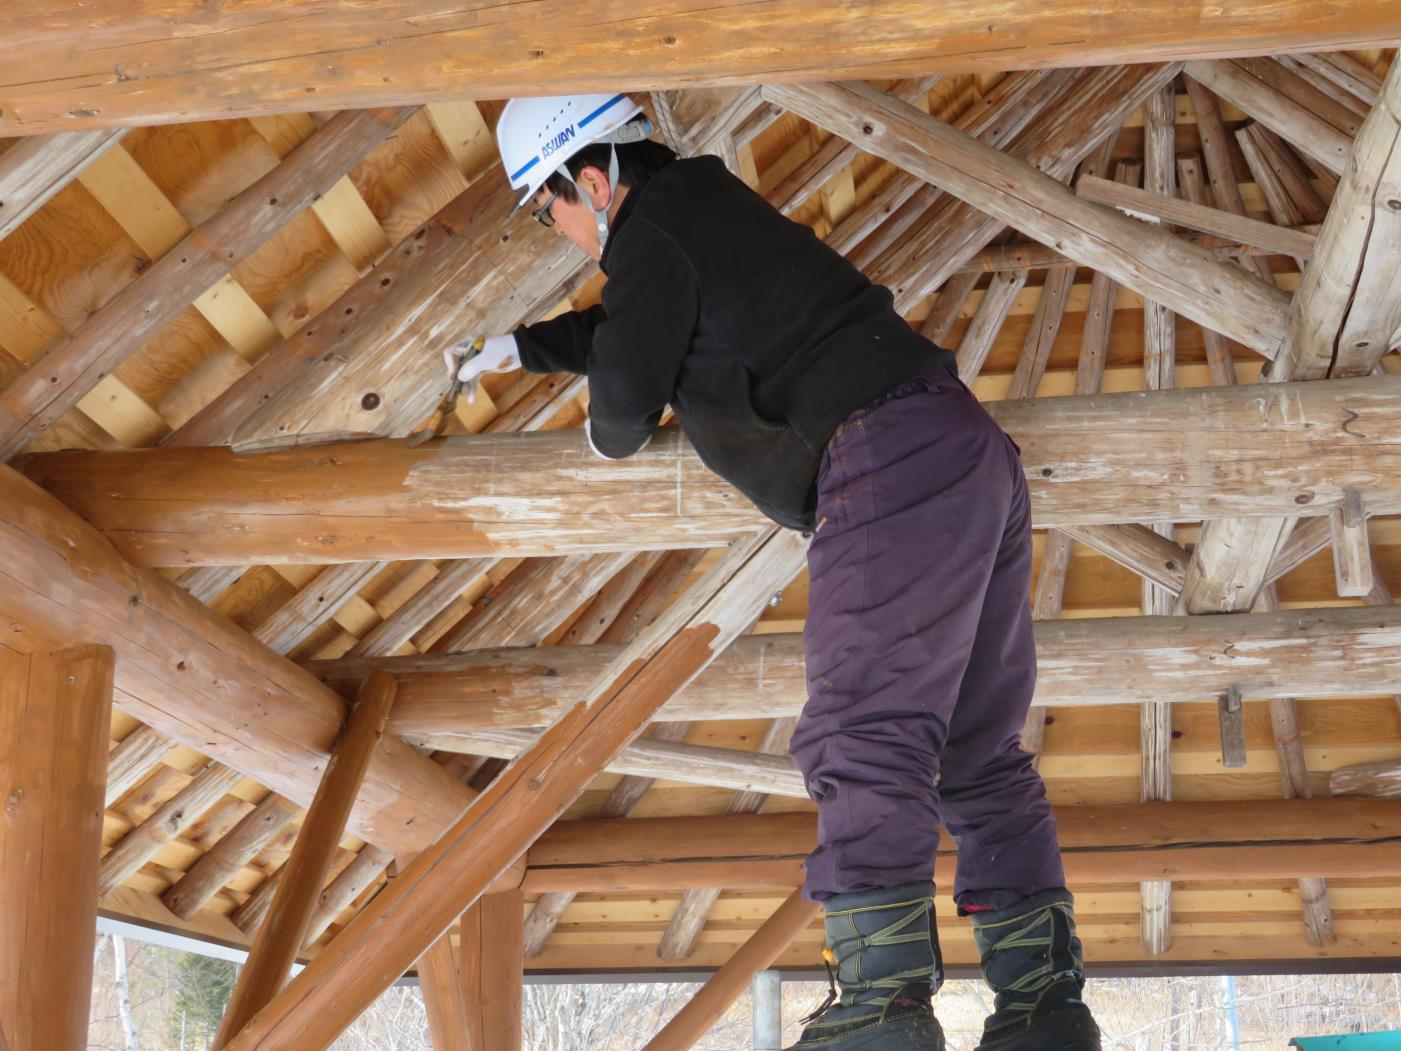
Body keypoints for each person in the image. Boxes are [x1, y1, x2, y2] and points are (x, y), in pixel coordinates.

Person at [450, 92, 1102, 1051]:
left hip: (884, 461)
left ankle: (881, 1012)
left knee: (863, 730)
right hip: (962, 450)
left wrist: (600, 427)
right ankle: (1043, 1015)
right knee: (973, 752)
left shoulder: (653, 231)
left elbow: (628, 399)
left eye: (548, 212)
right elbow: (635, 326)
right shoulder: (698, 221)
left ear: (589, 181)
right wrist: (526, 349)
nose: (560, 234)